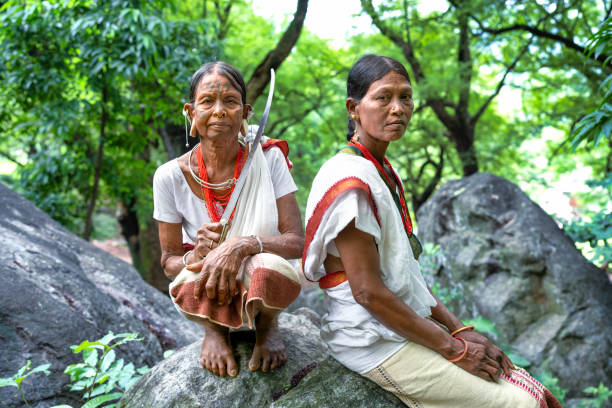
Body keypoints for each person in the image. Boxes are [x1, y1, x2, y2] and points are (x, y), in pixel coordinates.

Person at [302, 54, 562, 407]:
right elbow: (368, 293)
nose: (398, 109)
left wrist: (458, 328)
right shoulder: (349, 180)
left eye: (405, 97)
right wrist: (454, 349)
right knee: (522, 403)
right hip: (371, 341)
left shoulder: (379, 170)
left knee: (523, 382)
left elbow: (405, 274)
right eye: (383, 97)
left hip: (395, 329)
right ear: (354, 108)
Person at [153, 61, 304, 378]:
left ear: (246, 112)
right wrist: (197, 254)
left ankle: (267, 325)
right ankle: (214, 331)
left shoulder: (269, 157)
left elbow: (296, 243)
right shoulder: (169, 177)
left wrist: (241, 245)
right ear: (190, 112)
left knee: (268, 268)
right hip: (206, 281)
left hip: (259, 275)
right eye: (207, 101)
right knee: (188, 278)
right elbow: (169, 262)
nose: (219, 111)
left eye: (230, 102)